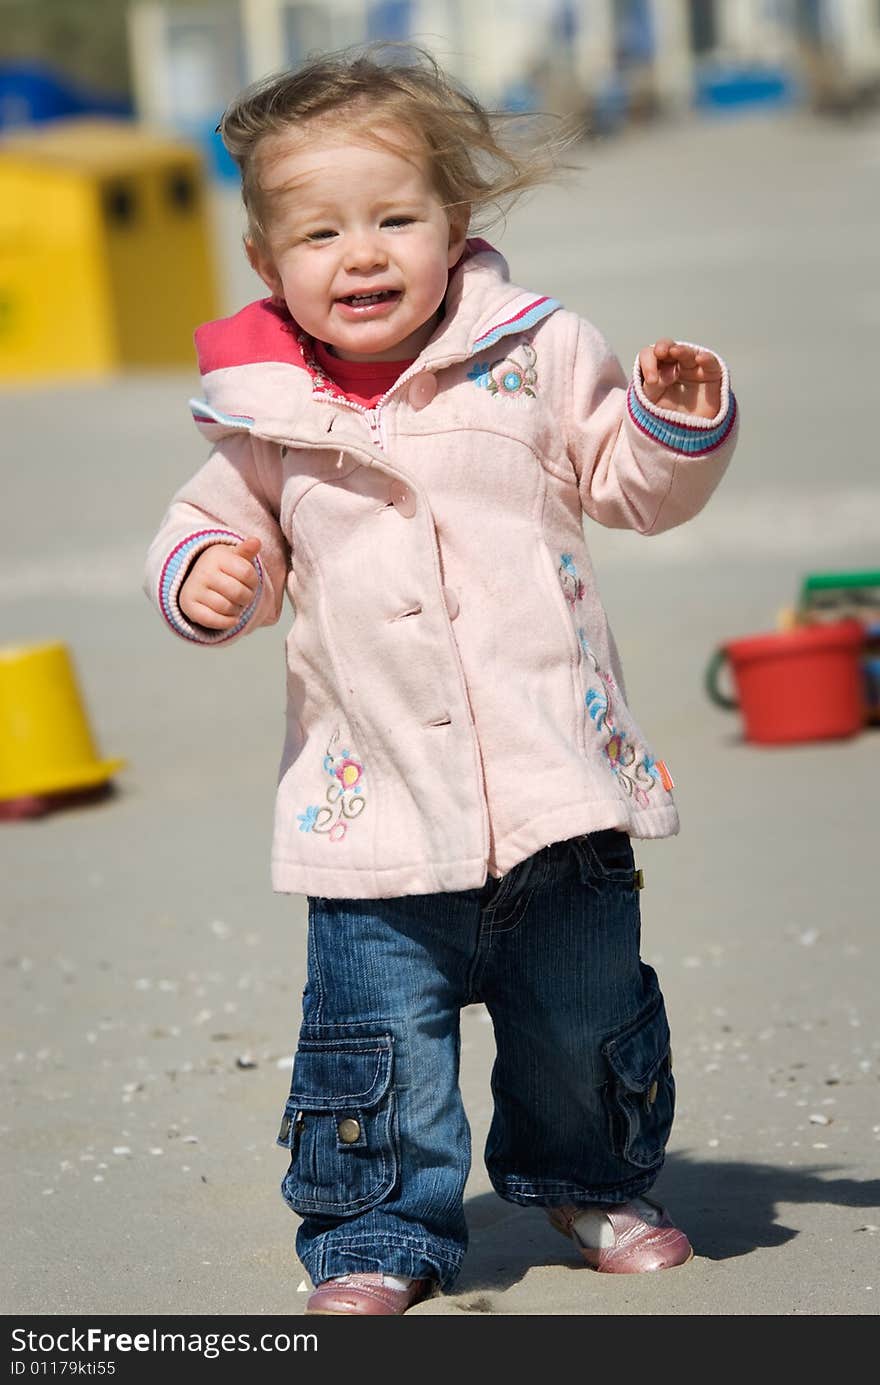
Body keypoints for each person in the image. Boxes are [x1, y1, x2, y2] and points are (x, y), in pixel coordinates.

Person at [143, 44, 738, 1316]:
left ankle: (592, 1178)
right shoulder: (262, 412)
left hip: (553, 785)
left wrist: (667, 423)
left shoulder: (534, 352)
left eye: (394, 220)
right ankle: (375, 1229)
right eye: (319, 233)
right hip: (375, 806)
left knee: (578, 1024)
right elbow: (212, 524)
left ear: (452, 225)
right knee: (377, 1046)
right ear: (267, 263)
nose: (359, 255)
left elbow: (628, 490)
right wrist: (206, 572)